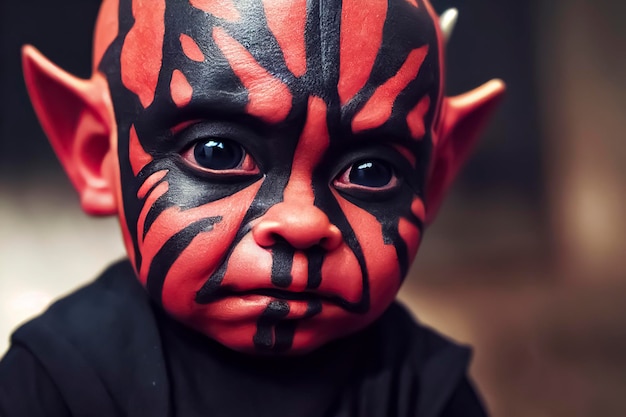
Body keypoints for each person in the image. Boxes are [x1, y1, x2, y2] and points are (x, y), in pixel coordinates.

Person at [0, 0, 504, 415]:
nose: (303, 222)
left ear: (433, 180)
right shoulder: (62, 382)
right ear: (95, 154)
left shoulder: (424, 390)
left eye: (370, 172)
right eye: (218, 153)